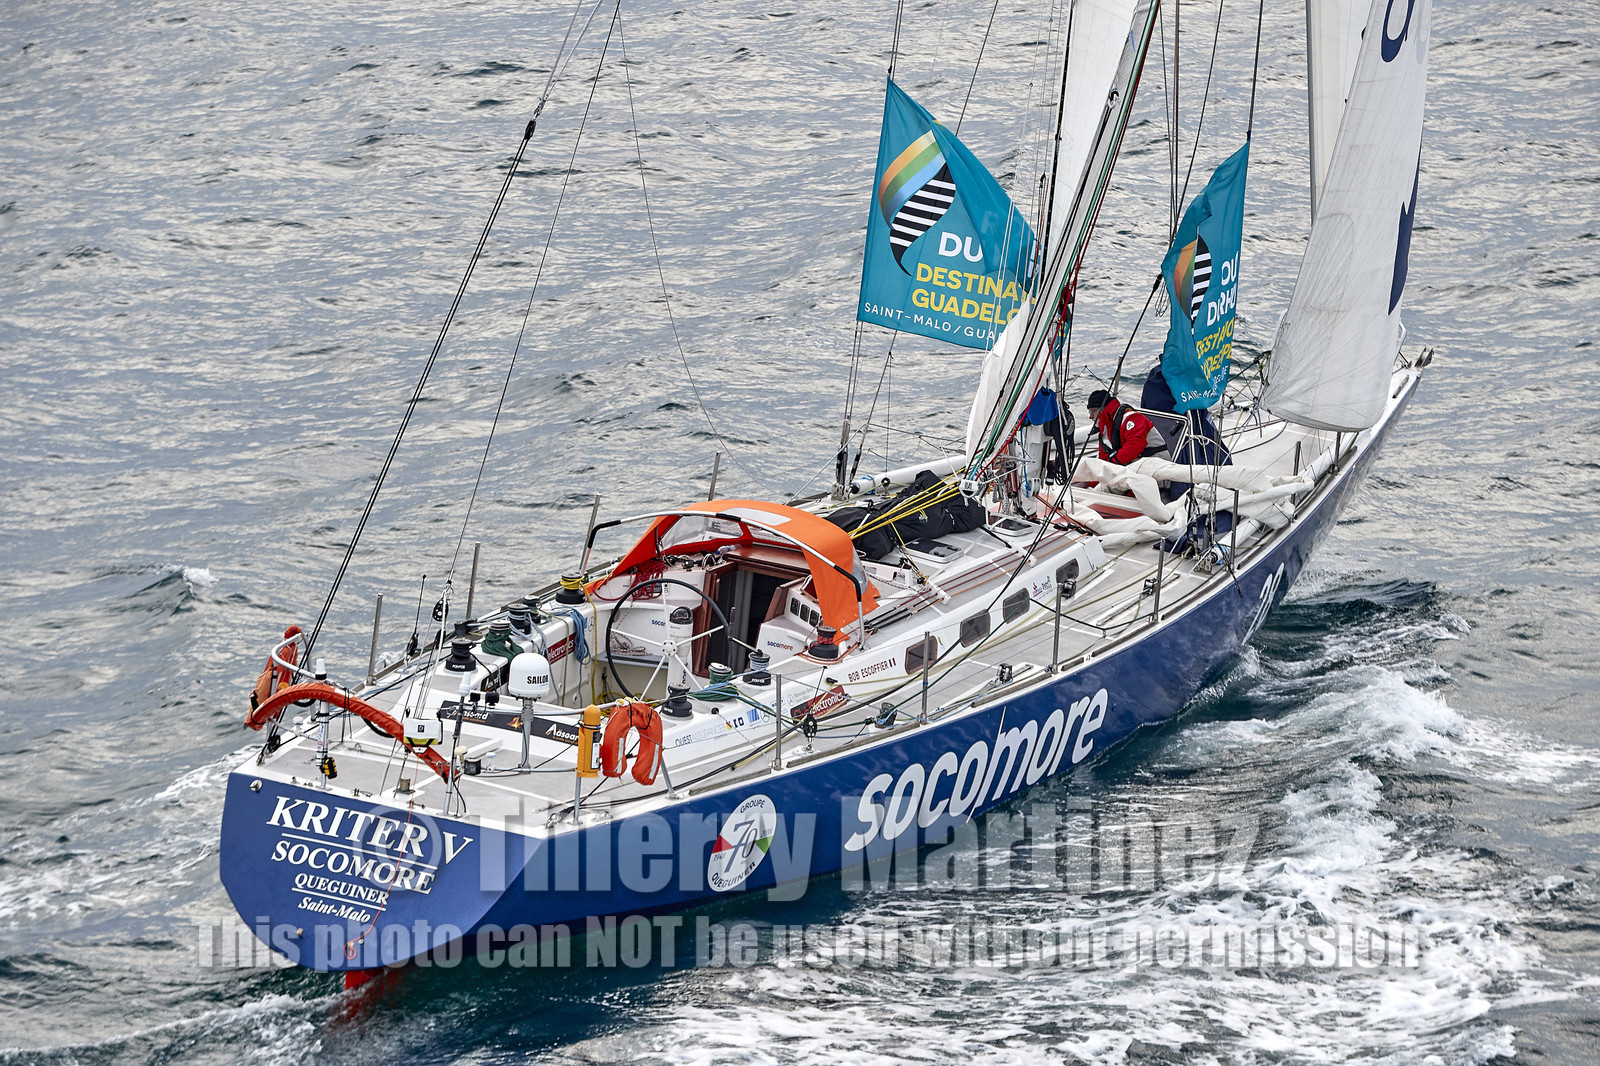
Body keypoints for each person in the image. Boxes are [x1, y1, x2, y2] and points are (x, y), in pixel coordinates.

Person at [1086, 389, 1160, 465]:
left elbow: (1135, 445)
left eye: (1092, 412)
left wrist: (1112, 463)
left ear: (1103, 408)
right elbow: (1103, 455)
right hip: (1133, 466)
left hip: (1156, 463)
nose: (1090, 416)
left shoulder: (1132, 418)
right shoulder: (1105, 428)